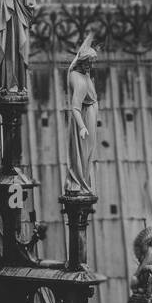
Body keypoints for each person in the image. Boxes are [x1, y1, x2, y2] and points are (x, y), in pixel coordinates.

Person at [65, 35, 98, 194]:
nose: (91, 66)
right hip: (85, 116)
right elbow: (75, 108)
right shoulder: (80, 82)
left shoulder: (77, 70)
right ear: (83, 62)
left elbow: (81, 51)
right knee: (85, 151)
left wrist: (91, 36)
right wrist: (82, 127)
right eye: (89, 63)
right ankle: (81, 183)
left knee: (86, 151)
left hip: (89, 111)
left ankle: (79, 181)